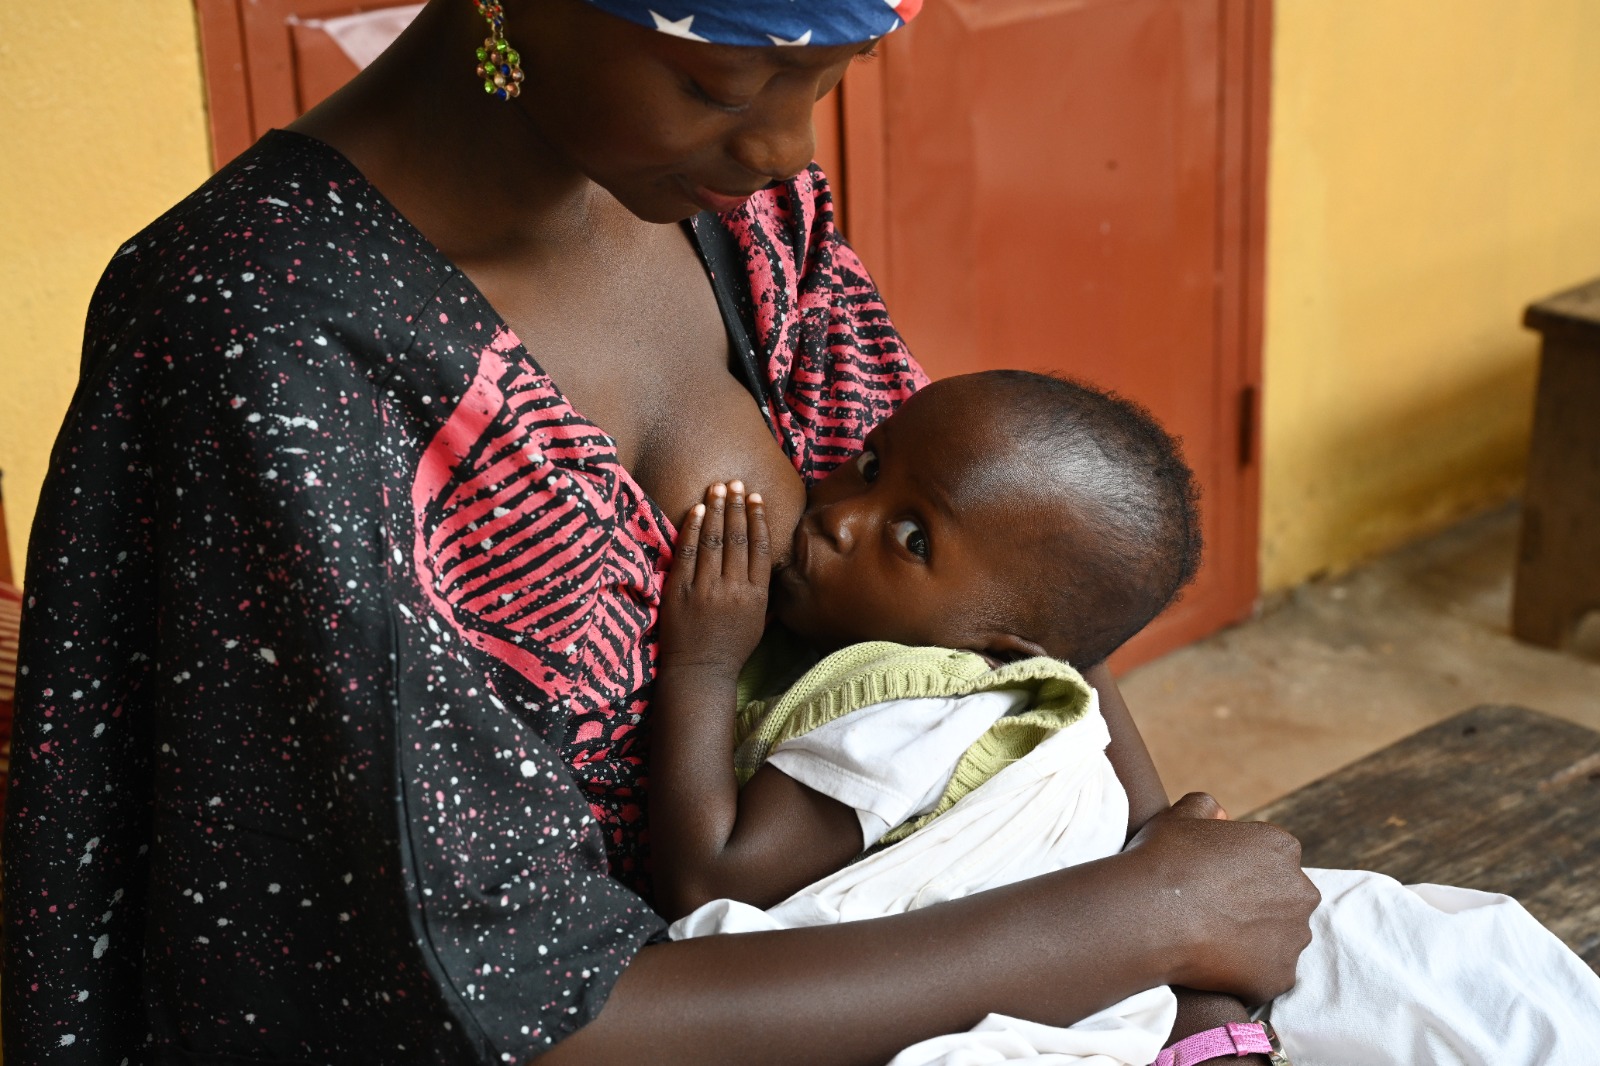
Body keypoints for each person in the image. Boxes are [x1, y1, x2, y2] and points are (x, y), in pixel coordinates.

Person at [1, 2, 1320, 1063]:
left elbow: (1005, 598)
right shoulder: (271, 340)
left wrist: (1160, 878)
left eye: (827, 77)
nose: (788, 148)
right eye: (719, 85)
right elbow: (510, 1007)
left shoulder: (729, 217)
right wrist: (1141, 919)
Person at [652, 370, 1600, 1066]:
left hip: (1051, 998)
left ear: (1013, 648)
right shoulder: (1033, 692)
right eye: (866, 467)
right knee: (1462, 964)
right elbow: (1142, 823)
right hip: (1118, 980)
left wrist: (700, 658)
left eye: (910, 537)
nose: (835, 516)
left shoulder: (898, 712)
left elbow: (710, 878)